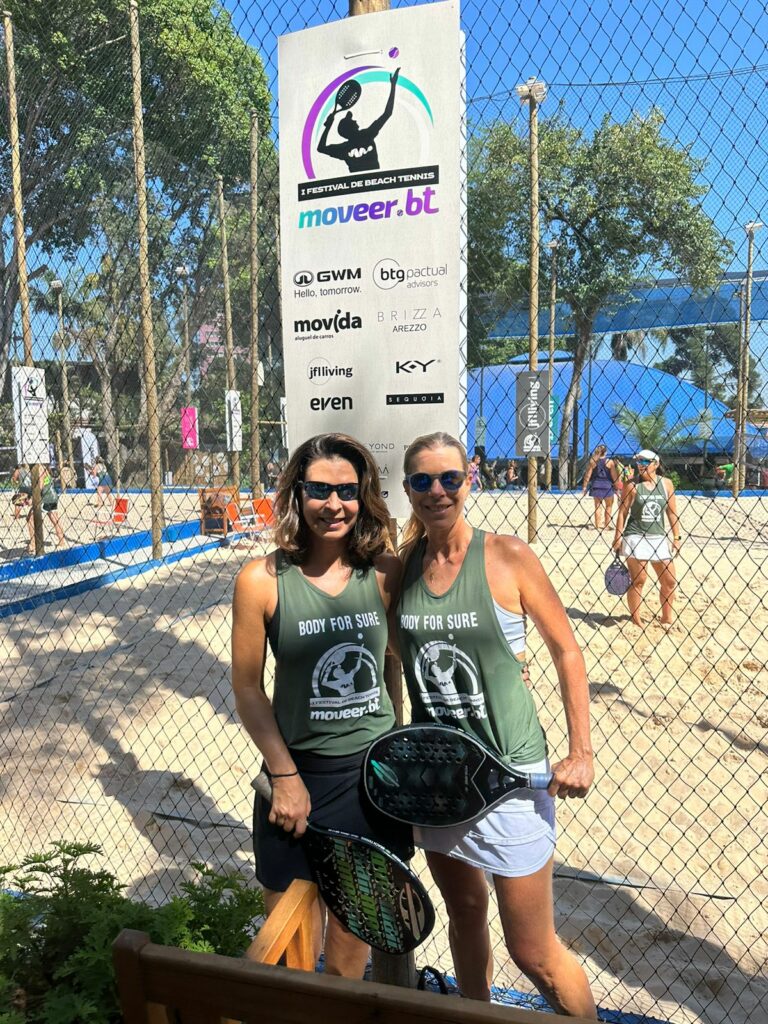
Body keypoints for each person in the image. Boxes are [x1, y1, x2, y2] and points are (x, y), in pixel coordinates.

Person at [395, 431, 596, 1018]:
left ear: (470, 480)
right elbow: (392, 663)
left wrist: (580, 752)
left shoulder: (507, 556)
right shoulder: (401, 569)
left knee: (534, 951)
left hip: (510, 777)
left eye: (449, 478)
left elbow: (567, 651)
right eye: (423, 480)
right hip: (439, 779)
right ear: (408, 488)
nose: (437, 491)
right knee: (463, 913)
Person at [231, 433, 411, 978]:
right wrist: (284, 776)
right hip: (295, 780)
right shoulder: (261, 581)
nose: (334, 504)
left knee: (351, 951)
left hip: (367, 784)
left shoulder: (385, 574)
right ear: (296, 493)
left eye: (347, 491)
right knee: (292, 953)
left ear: (364, 496)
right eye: (319, 490)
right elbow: (247, 688)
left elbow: (409, 651)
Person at [612, 449, 681, 628]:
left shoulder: (666, 484)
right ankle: (636, 620)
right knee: (639, 580)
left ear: (656, 464)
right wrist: (618, 536)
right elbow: (622, 512)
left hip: (658, 537)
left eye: (644, 461)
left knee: (669, 581)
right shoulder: (632, 485)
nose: (640, 465)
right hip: (636, 536)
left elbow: (672, 513)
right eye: (638, 461)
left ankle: (666, 618)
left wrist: (677, 537)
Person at [317, 69, 400, 173]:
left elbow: (321, 148)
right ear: (349, 128)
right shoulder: (367, 135)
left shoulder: (345, 148)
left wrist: (328, 127)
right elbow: (387, 113)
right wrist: (393, 85)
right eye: (351, 120)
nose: (355, 120)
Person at [19, 465, 66, 553]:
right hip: (52, 496)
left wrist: (32, 498)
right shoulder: (42, 467)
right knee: (54, 519)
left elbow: (39, 487)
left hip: (46, 498)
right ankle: (61, 540)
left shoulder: (39, 468)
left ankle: (33, 544)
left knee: (30, 518)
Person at [581, 444, 618, 530]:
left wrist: (584, 487)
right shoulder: (609, 462)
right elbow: (614, 476)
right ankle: (606, 526)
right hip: (607, 486)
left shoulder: (593, 461)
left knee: (597, 507)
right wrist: (617, 487)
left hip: (596, 485)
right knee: (609, 506)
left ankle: (597, 526)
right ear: (606, 452)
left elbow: (587, 475)